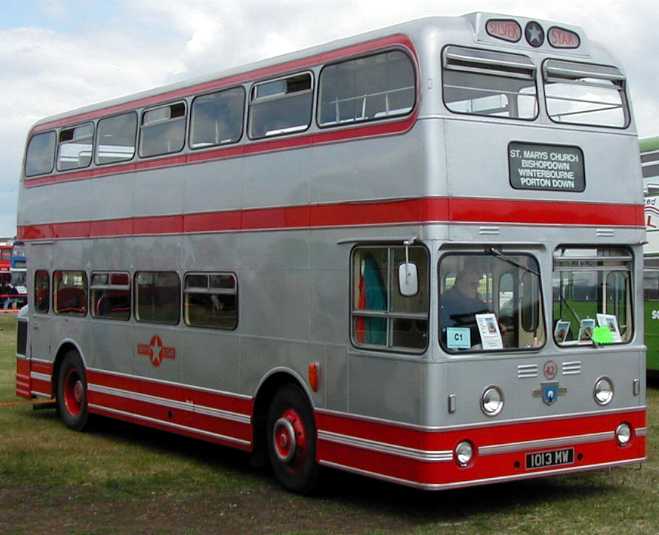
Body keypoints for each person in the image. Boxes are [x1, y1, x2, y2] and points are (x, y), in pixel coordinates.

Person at [440, 265, 489, 348]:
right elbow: (445, 335)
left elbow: (488, 319)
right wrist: (479, 335)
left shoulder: (479, 303)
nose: (477, 283)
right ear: (461, 279)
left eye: (477, 282)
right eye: (473, 273)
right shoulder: (446, 301)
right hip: (454, 352)